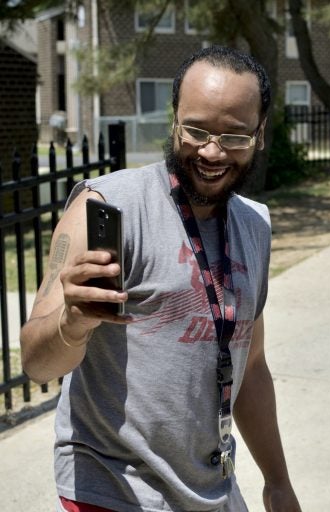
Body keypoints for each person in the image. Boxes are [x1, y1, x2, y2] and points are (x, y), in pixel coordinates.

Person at [20, 46, 301, 512]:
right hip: (113, 488)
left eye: (234, 136)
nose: (212, 151)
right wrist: (71, 323)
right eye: (196, 130)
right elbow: (36, 361)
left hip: (212, 487)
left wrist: (277, 483)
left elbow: (249, 367)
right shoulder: (106, 207)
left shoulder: (254, 226)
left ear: (260, 133)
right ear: (174, 119)